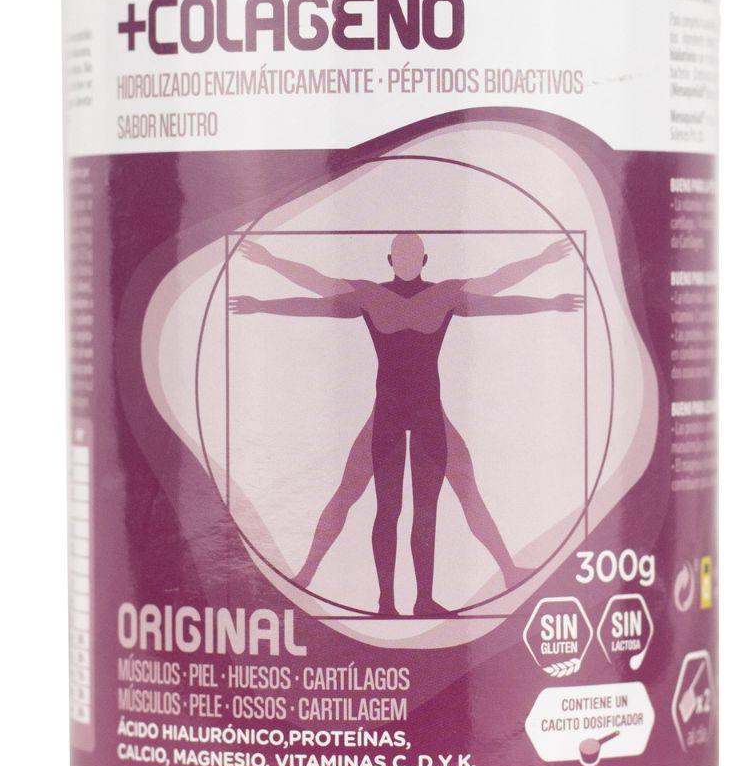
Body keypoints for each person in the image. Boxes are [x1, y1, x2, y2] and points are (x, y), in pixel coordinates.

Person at [230, 234, 581, 616]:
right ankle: (357, 592)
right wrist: (265, 287)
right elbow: (316, 293)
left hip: (429, 414)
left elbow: (497, 293)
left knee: (441, 503)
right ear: (390, 258)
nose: (407, 258)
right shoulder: (371, 295)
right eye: (401, 252)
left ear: (424, 259)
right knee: (377, 504)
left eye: (413, 253)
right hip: (389, 415)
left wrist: (546, 283)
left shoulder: (443, 294)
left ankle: (434, 596)